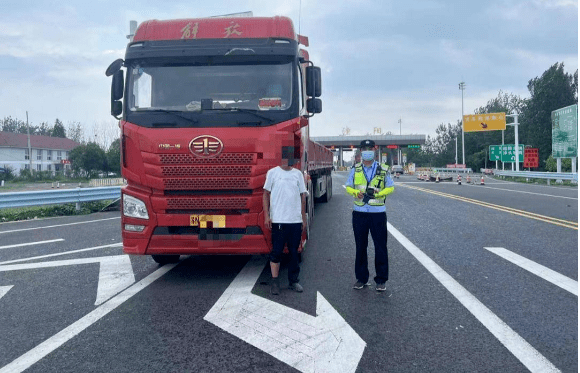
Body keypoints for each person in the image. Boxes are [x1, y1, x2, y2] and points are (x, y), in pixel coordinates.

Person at [345, 139, 395, 292]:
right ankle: (361, 278)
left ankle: (381, 280)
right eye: (364, 148)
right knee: (361, 247)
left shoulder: (383, 169)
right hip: (359, 213)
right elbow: (348, 186)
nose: (367, 151)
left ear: (375, 150)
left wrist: (380, 192)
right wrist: (355, 192)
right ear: (361, 151)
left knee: (380, 247)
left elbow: (391, 187)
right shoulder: (356, 169)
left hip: (377, 214)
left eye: (370, 148)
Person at [263, 146, 308, 295]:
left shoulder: (298, 175)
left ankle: (293, 281)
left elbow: (303, 196)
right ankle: (275, 282)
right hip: (278, 221)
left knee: (294, 252)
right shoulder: (273, 173)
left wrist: (303, 217)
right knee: (276, 252)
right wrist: (267, 216)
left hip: (294, 221)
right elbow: (266, 194)